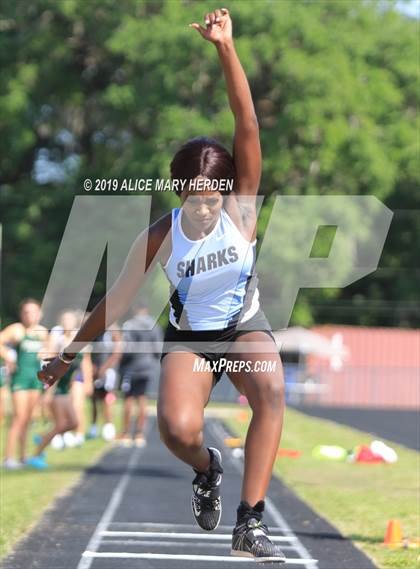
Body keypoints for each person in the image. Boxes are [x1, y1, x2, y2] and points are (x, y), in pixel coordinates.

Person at [39, 9, 286, 563]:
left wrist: (225, 48)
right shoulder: (160, 236)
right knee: (176, 430)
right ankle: (208, 468)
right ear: (178, 193)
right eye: (192, 198)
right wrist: (69, 355)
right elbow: (116, 301)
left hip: (242, 329)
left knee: (270, 389)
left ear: (225, 193)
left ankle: (251, 522)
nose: (202, 208)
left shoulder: (241, 208)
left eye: (211, 198)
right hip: (190, 338)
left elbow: (246, 121)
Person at [27, 311, 94, 467]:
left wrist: (86, 381)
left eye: (70, 321)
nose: (67, 324)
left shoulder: (80, 342)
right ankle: (36, 455)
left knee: (73, 423)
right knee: (62, 424)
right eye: (65, 321)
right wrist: (48, 393)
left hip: (65, 389)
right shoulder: (60, 343)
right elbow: (54, 369)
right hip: (58, 390)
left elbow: (83, 364)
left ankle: (43, 437)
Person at [1, 299, 48, 469]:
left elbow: (49, 351)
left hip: (34, 379)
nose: (30, 315)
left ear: (39, 313)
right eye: (27, 312)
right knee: (19, 418)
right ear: (22, 314)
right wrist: (8, 355)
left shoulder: (42, 332)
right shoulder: (16, 330)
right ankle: (8, 458)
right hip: (20, 379)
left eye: (34, 312)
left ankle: (22, 456)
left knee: (28, 419)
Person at [118, 303, 163, 447]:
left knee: (128, 398)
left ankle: (125, 433)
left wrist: (122, 362)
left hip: (131, 366)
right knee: (142, 398)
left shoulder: (130, 325)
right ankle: (139, 434)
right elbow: (158, 349)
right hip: (147, 366)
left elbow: (127, 348)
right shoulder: (154, 325)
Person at [88, 326, 122, 441]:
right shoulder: (95, 331)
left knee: (107, 399)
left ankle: (109, 427)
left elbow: (117, 353)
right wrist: (92, 367)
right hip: (95, 370)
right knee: (94, 398)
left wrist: (104, 368)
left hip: (108, 371)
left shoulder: (113, 331)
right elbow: (90, 351)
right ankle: (93, 427)